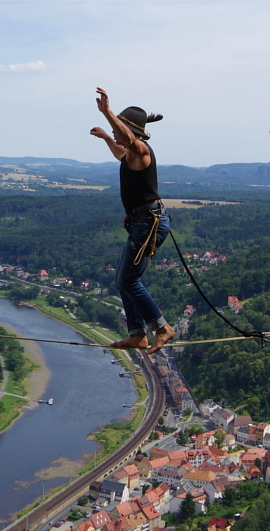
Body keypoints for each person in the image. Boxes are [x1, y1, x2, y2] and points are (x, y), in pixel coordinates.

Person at [90, 87, 174, 354]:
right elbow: (120, 152)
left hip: (148, 223)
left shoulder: (141, 149)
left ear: (131, 131)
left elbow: (126, 139)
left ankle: (162, 328)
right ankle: (137, 334)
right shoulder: (131, 155)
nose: (115, 133)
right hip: (143, 223)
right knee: (123, 280)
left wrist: (107, 113)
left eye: (117, 130)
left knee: (128, 281)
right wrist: (105, 137)